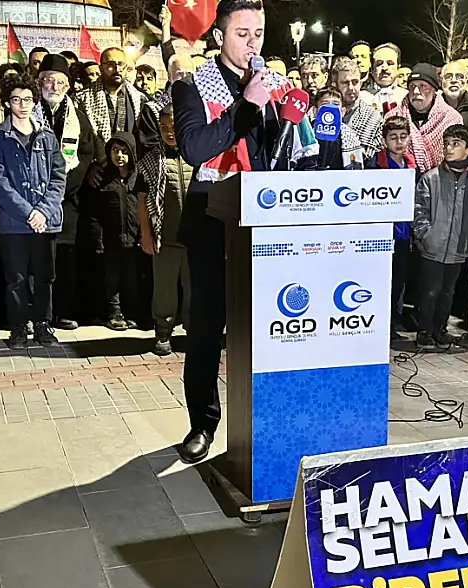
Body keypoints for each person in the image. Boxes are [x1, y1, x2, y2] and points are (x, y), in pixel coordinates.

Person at [172, 0, 308, 464]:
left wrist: (292, 121)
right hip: (211, 218)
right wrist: (246, 104)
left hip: (264, 219)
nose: (252, 43)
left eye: (258, 34)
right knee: (207, 325)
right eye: (242, 34)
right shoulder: (192, 86)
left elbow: (281, 154)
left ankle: (268, 419)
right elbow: (195, 148)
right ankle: (202, 423)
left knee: (270, 324)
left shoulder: (273, 86)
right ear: (219, 37)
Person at [0, 75, 67, 350]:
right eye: (16, 100)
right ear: (7, 103)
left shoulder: (47, 135)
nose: (22, 105)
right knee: (16, 279)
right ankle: (18, 327)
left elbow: (58, 176)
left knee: (45, 277)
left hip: (46, 222)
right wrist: (28, 212)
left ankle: (43, 324)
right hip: (13, 222)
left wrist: (43, 211)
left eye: (28, 100)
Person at [37, 54, 98, 332]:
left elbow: (85, 156)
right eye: (48, 81)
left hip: (67, 201)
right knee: (36, 259)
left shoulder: (78, 119)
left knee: (65, 259)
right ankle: (38, 314)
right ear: (39, 83)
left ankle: (62, 311)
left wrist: (60, 189)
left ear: (68, 86)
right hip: (33, 199)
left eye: (60, 82)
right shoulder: (27, 113)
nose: (54, 87)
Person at [412, 124, 468, 350]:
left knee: (447, 292)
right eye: (446, 144)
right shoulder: (431, 178)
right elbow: (419, 209)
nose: (449, 149)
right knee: (430, 291)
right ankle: (424, 331)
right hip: (433, 246)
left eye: (456, 144)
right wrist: (426, 235)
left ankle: (440, 329)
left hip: (458, 247)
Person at [136, 103, 191, 356]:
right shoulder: (150, 160)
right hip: (165, 239)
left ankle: (194, 332)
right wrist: (146, 233)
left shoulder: (197, 155)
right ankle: (163, 332)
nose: (169, 132)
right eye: (164, 127)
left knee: (196, 290)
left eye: (174, 127)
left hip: (195, 239)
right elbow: (142, 199)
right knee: (164, 292)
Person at [365, 117, 415, 341]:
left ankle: (394, 320)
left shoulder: (412, 165)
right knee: (380, 281)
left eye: (403, 137)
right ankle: (378, 323)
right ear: (384, 140)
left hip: (404, 234)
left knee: (398, 280)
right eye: (393, 137)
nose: (399, 142)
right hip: (382, 234)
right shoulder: (375, 164)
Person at [92, 132, 144, 330]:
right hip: (111, 239)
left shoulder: (139, 177)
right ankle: (114, 313)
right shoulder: (103, 179)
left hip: (134, 239)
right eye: (115, 150)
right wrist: (98, 240)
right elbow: (95, 213)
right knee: (112, 278)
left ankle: (132, 313)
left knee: (132, 277)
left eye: (124, 151)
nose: (119, 156)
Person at [385, 63, 463, 174]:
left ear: (434, 90)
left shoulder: (451, 119)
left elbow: (458, 157)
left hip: (441, 179)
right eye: (412, 86)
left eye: (423, 86)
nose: (416, 91)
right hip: (400, 178)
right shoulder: (393, 117)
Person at [334, 57, 382, 160]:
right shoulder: (323, 112)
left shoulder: (372, 118)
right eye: (345, 83)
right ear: (335, 84)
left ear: (360, 83)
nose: (351, 87)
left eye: (355, 82)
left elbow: (370, 158)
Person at [367, 43, 408, 113]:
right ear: (372, 70)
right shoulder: (361, 98)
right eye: (379, 64)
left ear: (398, 68)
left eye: (390, 63)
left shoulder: (407, 96)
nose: (384, 68)